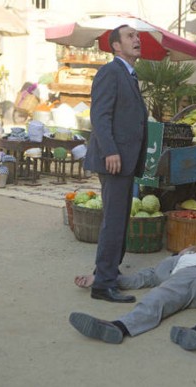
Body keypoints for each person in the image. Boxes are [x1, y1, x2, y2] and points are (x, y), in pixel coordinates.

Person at [70, 247, 196, 351]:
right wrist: (100, 280)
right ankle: (118, 327)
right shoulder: (176, 260)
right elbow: (142, 278)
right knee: (154, 298)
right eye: (187, 248)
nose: (194, 248)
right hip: (181, 278)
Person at [83, 25, 148, 303]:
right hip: (114, 160)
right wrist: (110, 150)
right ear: (116, 46)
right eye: (130, 36)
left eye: (138, 36)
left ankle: (106, 273)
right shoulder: (111, 72)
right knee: (114, 221)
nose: (137, 40)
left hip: (125, 160)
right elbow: (99, 115)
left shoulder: (129, 75)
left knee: (119, 219)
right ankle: (104, 285)